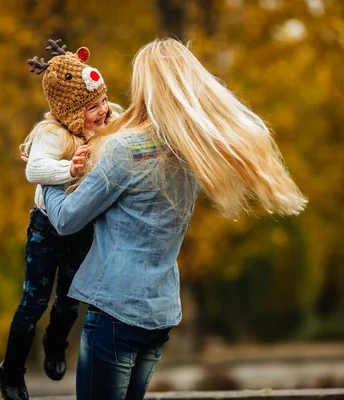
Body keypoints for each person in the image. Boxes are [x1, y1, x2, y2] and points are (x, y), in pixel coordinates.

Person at [42, 38, 308, 399]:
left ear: (145, 86)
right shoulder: (191, 151)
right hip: (159, 313)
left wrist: (50, 178)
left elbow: (66, 220)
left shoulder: (125, 150)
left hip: (116, 311)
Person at [0, 39, 121, 400]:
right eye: (92, 107)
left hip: (81, 228)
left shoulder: (107, 119)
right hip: (46, 230)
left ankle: (55, 343)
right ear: (68, 110)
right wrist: (70, 167)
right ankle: (12, 371)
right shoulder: (51, 134)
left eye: (102, 102)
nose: (102, 112)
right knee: (34, 301)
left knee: (69, 299)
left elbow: (129, 126)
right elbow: (34, 169)